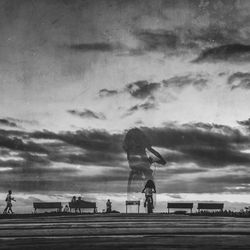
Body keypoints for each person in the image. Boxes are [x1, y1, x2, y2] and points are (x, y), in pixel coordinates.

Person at [123, 128, 166, 199]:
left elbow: (129, 154)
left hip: (134, 165)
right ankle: (149, 196)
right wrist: (161, 160)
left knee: (146, 171)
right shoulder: (141, 142)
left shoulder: (130, 144)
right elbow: (152, 151)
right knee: (148, 174)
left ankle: (146, 194)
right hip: (140, 165)